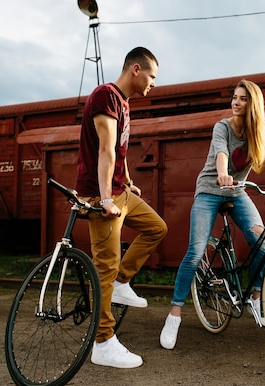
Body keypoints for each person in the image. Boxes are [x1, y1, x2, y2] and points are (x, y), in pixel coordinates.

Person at [159, 79, 265, 350]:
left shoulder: (259, 132)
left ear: (253, 104)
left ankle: (256, 297)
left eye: (242, 98)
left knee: (262, 243)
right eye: (234, 97)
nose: (235, 102)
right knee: (196, 252)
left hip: (236, 192)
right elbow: (220, 152)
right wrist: (222, 173)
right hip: (209, 190)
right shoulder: (223, 126)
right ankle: (174, 314)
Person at [76, 47, 168, 368]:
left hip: (119, 191)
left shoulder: (123, 103)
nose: (154, 83)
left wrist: (127, 181)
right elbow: (105, 149)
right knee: (104, 266)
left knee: (157, 227)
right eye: (152, 76)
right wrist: (104, 201)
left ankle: (122, 281)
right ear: (136, 70)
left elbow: (119, 150)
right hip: (100, 196)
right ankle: (103, 342)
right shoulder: (106, 96)